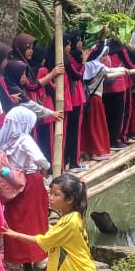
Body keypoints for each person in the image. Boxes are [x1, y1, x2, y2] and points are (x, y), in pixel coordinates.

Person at [0, 106, 51, 271]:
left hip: (14, 185)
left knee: (19, 224)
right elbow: (40, 159)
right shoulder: (24, 139)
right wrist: (46, 168)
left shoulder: (4, 142)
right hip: (31, 182)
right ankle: (36, 263)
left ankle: (28, 269)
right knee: (36, 222)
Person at [61, 31, 92, 171]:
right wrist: (84, 61)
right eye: (78, 41)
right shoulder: (70, 58)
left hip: (72, 98)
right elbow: (77, 75)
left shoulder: (70, 57)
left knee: (70, 131)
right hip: (74, 98)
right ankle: (74, 162)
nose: (80, 43)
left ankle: (70, 160)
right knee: (74, 131)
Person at [102, 38, 133, 149]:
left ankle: (109, 139)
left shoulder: (102, 47)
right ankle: (116, 139)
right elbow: (130, 64)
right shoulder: (121, 48)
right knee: (119, 114)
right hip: (119, 84)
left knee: (108, 114)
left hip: (105, 86)